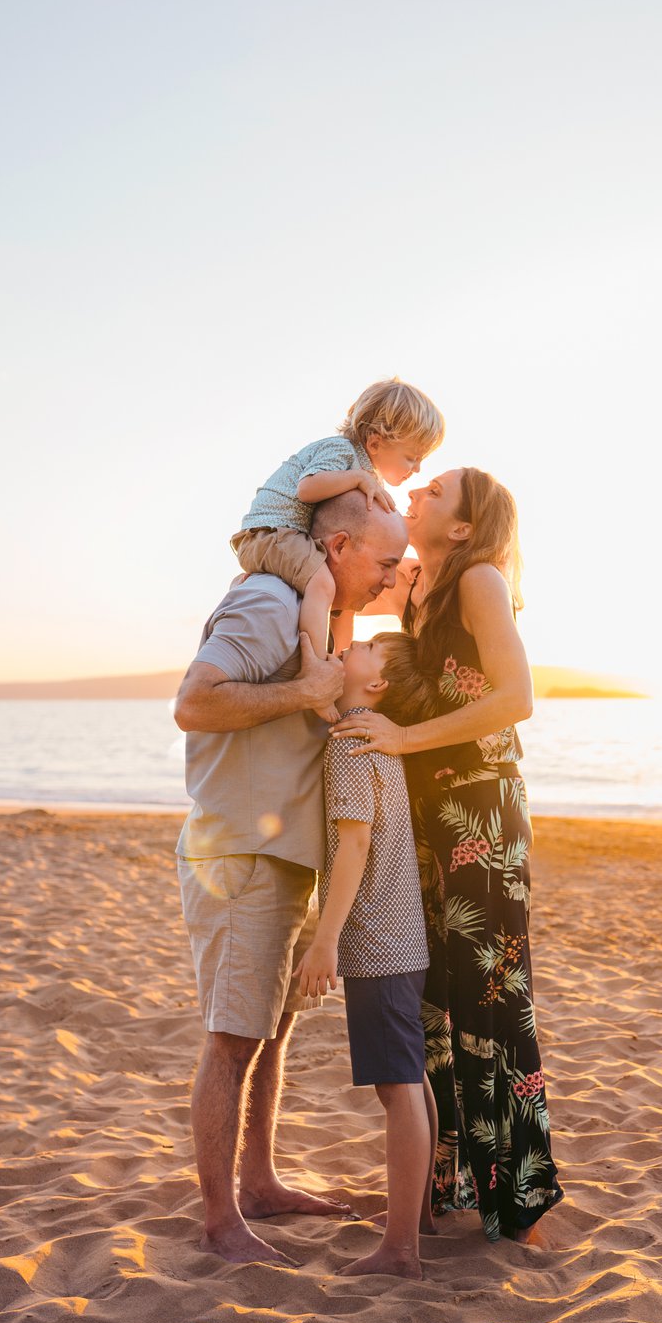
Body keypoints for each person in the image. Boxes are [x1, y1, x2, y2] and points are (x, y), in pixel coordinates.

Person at [173, 491, 408, 1266]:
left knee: (268, 1035)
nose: (389, 576)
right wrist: (306, 692)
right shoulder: (269, 603)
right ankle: (219, 1221)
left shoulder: (317, 618)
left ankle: (261, 1181)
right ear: (337, 547)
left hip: (281, 858)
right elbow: (194, 702)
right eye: (382, 560)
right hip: (241, 854)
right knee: (234, 1037)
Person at [331, 468, 563, 1242]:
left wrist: (398, 738)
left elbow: (515, 698)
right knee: (434, 1002)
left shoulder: (481, 580)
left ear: (465, 527)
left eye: (435, 491)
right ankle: (442, 1188)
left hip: (482, 809)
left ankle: (517, 1199)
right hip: (430, 813)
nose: (417, 495)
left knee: (491, 1000)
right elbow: (344, 591)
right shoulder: (422, 582)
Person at [296, 632, 440, 1278]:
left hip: (378, 947)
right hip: (404, 940)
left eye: (370, 648)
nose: (353, 643)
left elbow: (352, 849)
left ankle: (400, 1248)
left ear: (376, 685)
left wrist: (324, 939)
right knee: (413, 1081)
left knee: (397, 1088)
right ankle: (420, 1214)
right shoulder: (377, 737)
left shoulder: (354, 745)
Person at [230, 379, 444, 717]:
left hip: (283, 538)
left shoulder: (361, 466)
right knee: (323, 583)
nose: (416, 469)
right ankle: (314, 675)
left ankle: (335, 666)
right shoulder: (341, 451)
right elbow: (307, 489)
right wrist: (359, 480)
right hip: (271, 532)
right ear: (375, 442)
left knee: (342, 601)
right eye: (411, 457)